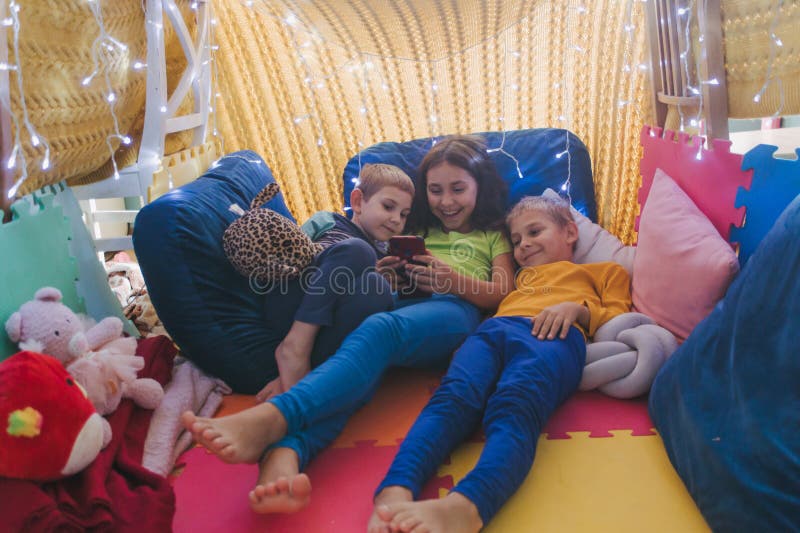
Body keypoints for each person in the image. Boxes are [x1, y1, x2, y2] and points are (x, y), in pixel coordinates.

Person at [181, 135, 516, 515]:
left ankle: (274, 418)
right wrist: (391, 274)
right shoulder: (414, 230)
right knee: (359, 375)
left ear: (479, 187)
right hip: (404, 306)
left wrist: (451, 279)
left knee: (378, 331)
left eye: (458, 189)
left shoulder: (491, 234)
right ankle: (284, 453)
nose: (446, 201)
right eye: (436, 191)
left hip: (454, 310)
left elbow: (502, 291)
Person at [368, 195, 632, 533]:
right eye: (518, 240)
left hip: (553, 334)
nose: (525, 245)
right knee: (452, 399)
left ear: (569, 231)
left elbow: (619, 314)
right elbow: (488, 298)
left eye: (535, 232)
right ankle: (394, 490)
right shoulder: (517, 278)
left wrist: (576, 309)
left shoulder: (604, 271)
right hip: (492, 331)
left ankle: (468, 506)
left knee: (515, 406)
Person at [266, 163, 415, 393]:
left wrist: (389, 280)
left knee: (378, 289)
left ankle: (305, 370)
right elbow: (292, 252)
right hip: (295, 301)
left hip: (327, 333)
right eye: (388, 207)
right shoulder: (329, 220)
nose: (396, 219)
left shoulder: (386, 258)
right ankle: (294, 347)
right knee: (358, 249)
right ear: (357, 202)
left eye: (404, 215)